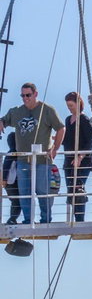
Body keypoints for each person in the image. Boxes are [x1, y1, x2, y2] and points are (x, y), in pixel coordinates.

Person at [1, 82, 65, 224]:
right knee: (24, 193)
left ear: (35, 94)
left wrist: (55, 148)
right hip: (23, 160)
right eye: (22, 95)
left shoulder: (47, 110)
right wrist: (1, 123)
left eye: (28, 95)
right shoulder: (16, 111)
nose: (25, 98)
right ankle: (28, 220)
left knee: (44, 193)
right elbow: (4, 120)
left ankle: (45, 220)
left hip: (43, 161)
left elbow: (61, 128)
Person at [59, 92, 92, 223]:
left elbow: (90, 141)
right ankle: (76, 219)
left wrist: (80, 157)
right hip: (69, 160)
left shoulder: (84, 120)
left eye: (71, 105)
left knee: (78, 188)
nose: (70, 108)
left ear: (78, 103)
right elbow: (67, 139)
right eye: (68, 106)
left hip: (83, 161)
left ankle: (80, 220)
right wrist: (54, 140)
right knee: (71, 190)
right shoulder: (68, 120)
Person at [2, 130, 20, 224]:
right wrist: (4, 179)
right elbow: (6, 167)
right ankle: (12, 219)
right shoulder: (13, 153)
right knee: (16, 202)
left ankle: (12, 219)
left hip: (10, 182)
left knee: (15, 201)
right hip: (11, 181)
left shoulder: (11, 152)